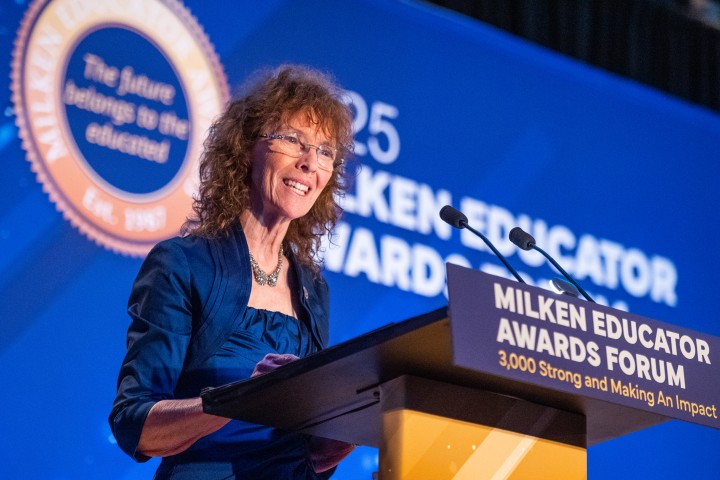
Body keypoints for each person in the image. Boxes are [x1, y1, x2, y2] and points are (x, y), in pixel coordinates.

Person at [109, 65, 356, 479]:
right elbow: (135, 423)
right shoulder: (184, 264)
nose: (310, 162)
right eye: (293, 140)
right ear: (246, 147)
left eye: (325, 151)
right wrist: (239, 399)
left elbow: (303, 451)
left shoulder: (313, 289)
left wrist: (345, 431)